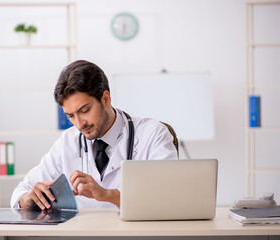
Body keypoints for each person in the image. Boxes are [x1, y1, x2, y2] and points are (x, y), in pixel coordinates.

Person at [10, 60, 177, 209]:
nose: (79, 123)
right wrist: (28, 199)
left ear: (105, 99)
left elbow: (168, 197)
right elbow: (20, 192)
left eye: (84, 111)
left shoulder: (153, 134)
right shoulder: (68, 141)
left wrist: (106, 194)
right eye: (70, 116)